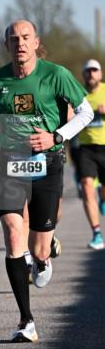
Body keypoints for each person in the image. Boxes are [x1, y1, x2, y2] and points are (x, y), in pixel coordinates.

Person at [0, 21, 93, 342]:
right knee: (14, 233)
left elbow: (84, 113)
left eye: (26, 38)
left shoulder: (56, 74)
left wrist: (56, 135)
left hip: (48, 161)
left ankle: (42, 258)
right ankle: (25, 320)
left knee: (39, 246)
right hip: (10, 164)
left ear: (36, 42)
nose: (20, 44)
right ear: (6, 45)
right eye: (14, 39)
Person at [76, 58, 105, 249]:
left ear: (100, 74)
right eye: (87, 71)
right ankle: (96, 233)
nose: (91, 74)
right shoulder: (78, 94)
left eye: (94, 71)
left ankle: (103, 197)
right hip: (86, 148)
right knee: (86, 186)